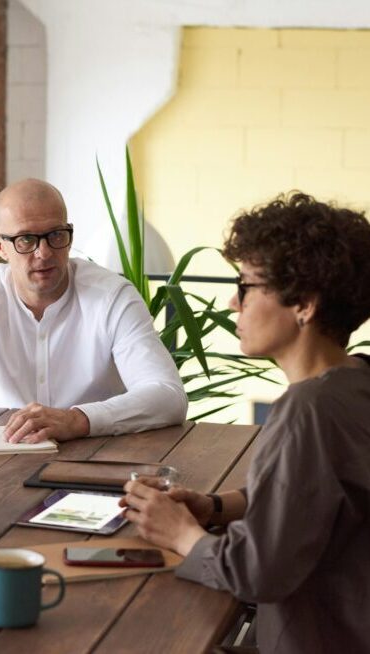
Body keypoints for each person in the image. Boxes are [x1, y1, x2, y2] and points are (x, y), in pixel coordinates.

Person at [121, 193, 370, 653]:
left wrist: (181, 533)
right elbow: (314, 497)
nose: (233, 302)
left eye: (248, 285)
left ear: (305, 305)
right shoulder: (355, 381)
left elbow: (257, 573)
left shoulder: (309, 409)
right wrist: (216, 507)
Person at [0, 178, 187, 442]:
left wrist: (76, 420)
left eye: (55, 235)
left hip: (96, 455)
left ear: (70, 236)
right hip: (6, 457)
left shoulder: (112, 296)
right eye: (26, 239)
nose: (45, 253)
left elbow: (168, 396)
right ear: (0, 246)